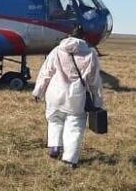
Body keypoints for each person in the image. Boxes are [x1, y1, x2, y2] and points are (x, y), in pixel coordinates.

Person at [32, 25, 104, 168]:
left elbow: (46, 73)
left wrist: (38, 92)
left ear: (70, 35)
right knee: (75, 126)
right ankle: (69, 159)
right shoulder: (90, 54)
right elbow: (95, 82)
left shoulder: (57, 50)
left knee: (54, 119)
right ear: (83, 37)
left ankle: (54, 147)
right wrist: (97, 102)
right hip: (76, 97)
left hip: (54, 93)